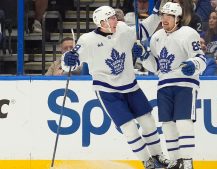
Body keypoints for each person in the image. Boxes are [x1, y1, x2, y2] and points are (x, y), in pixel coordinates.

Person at [62, 2, 172, 169]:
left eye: (114, 17)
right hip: (107, 91)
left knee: (148, 122)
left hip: (131, 86)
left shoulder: (123, 29)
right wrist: (67, 60)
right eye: (111, 18)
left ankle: (158, 156)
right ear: (101, 22)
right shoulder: (88, 40)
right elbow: (70, 61)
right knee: (129, 129)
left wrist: (156, 13)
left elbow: (144, 30)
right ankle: (147, 162)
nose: (115, 20)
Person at [133, 2, 207, 169]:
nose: (164, 19)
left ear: (178, 18)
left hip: (185, 83)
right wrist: (144, 56)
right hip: (164, 85)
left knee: (183, 121)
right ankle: (175, 160)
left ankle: (187, 161)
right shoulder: (157, 37)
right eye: (162, 15)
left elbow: (201, 58)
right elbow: (157, 68)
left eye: (169, 16)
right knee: (167, 124)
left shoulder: (189, 33)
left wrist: (193, 65)